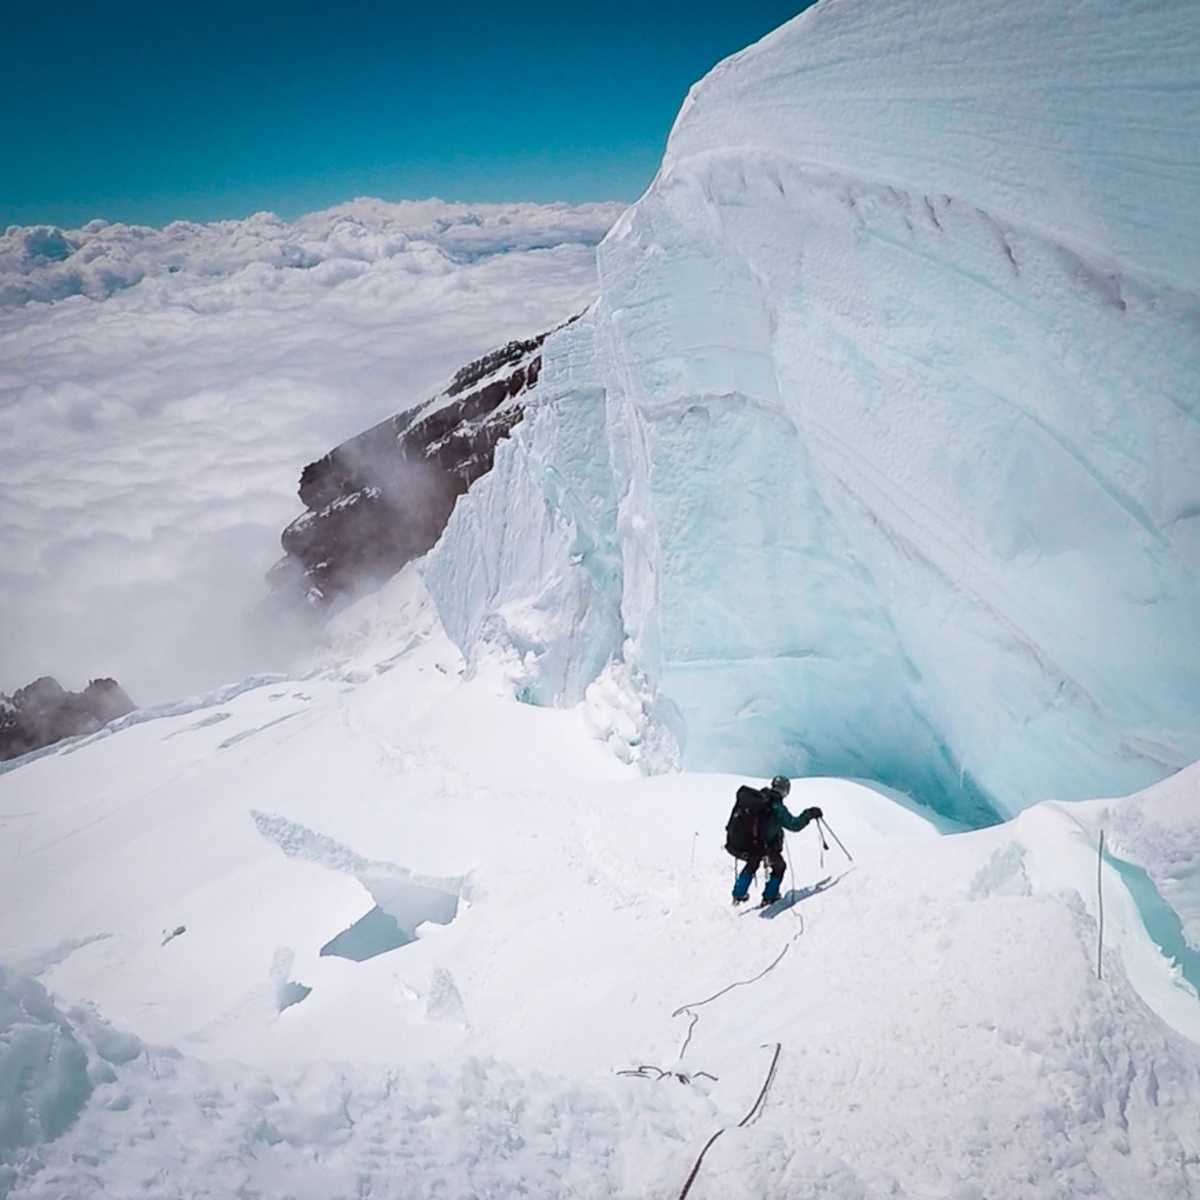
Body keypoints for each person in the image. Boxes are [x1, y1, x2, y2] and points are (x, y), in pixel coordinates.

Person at [731, 776, 822, 907]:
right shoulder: (777, 807)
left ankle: (738, 895)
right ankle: (770, 896)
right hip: (767, 846)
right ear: (785, 790)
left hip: (752, 843)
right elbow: (794, 825)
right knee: (779, 867)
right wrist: (809, 814)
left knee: (751, 866)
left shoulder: (760, 798)